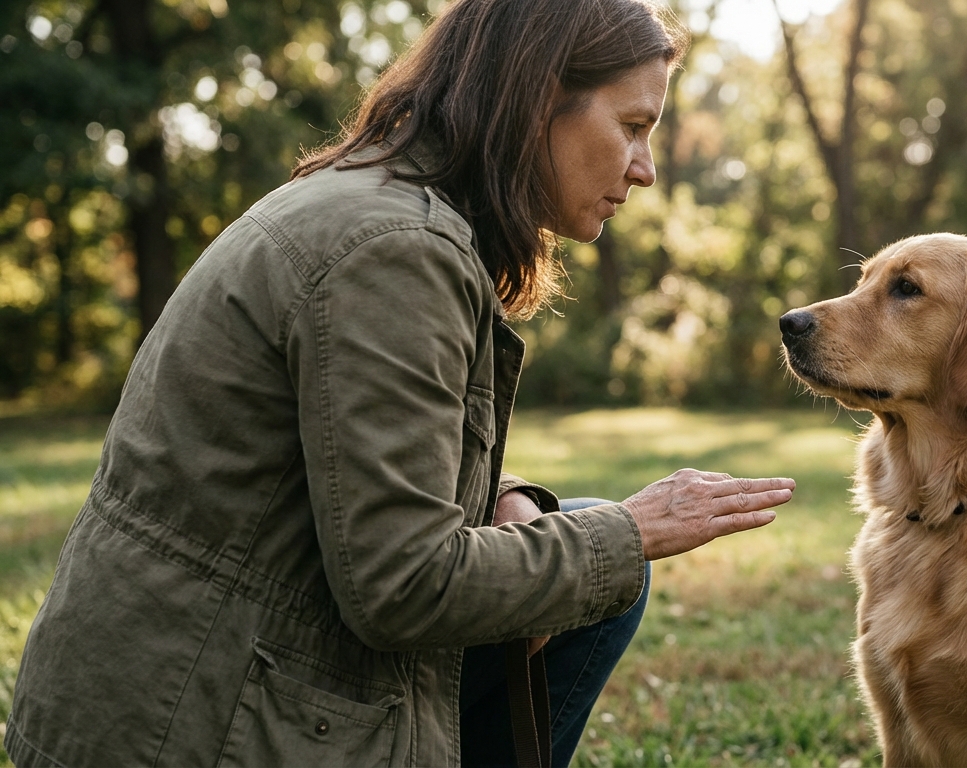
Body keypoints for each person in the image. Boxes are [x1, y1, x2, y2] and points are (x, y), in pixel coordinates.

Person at [3, 1, 795, 766]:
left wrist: (503, 496)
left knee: (574, 534)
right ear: (539, 98)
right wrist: (634, 532)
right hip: (182, 730)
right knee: (602, 541)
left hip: (149, 697)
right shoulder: (395, 249)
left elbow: (335, 445)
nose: (645, 168)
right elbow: (404, 586)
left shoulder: (375, 209)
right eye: (632, 125)